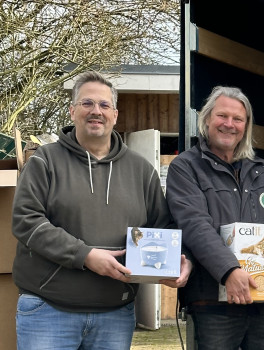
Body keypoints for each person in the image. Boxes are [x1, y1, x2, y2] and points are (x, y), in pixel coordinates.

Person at [11, 70, 192, 350]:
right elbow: (27, 221)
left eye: (104, 105)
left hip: (115, 316)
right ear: (72, 111)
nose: (96, 111)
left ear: (115, 114)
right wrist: (85, 256)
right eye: (87, 103)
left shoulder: (141, 170)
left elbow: (162, 228)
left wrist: (176, 262)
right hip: (48, 311)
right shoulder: (45, 161)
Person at [165, 85, 264, 350]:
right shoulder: (186, 166)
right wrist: (229, 271)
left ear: (246, 126)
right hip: (213, 304)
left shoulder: (260, 170)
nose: (229, 124)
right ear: (206, 119)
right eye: (222, 116)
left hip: (263, 302)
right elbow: (195, 225)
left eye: (237, 119)